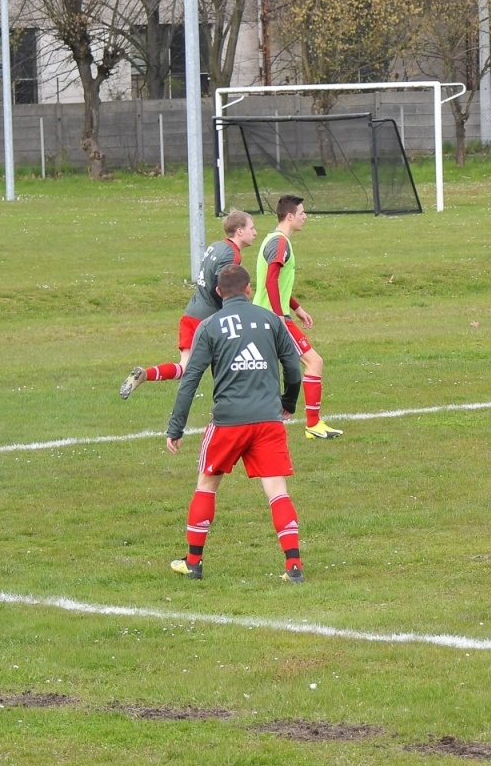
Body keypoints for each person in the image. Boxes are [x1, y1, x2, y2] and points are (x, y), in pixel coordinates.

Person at [166, 265, 306, 581]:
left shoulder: (209, 326)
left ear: (218, 293)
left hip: (228, 423)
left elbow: (190, 379)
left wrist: (176, 426)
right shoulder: (271, 320)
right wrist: (288, 402)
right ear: (247, 289)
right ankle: (293, 566)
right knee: (277, 492)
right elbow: (293, 368)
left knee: (207, 486)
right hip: (268, 422)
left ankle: (193, 563)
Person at [120, 211, 257, 398]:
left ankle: (145, 374)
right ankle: (238, 402)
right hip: (208, 321)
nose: (255, 232)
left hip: (192, 313)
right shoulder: (232, 255)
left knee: (184, 367)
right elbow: (218, 288)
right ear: (240, 231)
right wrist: (230, 309)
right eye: (252, 228)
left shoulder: (216, 246)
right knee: (237, 359)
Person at [257, 195, 342, 439]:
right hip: (274, 318)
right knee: (314, 362)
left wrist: (296, 307)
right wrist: (280, 316)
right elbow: (270, 280)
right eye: (303, 213)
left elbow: (277, 283)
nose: (306, 217)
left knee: (263, 372)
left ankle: (269, 422)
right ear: (290, 216)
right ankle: (312, 425)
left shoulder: (273, 239)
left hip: (269, 315)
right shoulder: (281, 243)